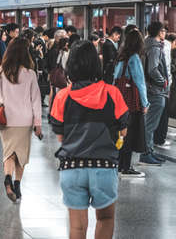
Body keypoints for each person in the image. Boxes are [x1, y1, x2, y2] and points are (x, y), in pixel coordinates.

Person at [50, 40, 128, 239]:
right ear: (96, 64)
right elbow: (123, 131)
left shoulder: (62, 97)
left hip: (72, 168)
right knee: (105, 219)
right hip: (104, 167)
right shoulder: (113, 93)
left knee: (77, 227)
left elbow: (61, 135)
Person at [0, 39, 42, 202]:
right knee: (21, 154)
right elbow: (36, 100)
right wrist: (38, 124)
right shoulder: (30, 74)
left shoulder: (0, 71)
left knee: (9, 152)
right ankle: (17, 185)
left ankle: (7, 178)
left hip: (6, 119)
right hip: (24, 119)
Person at [113, 29, 149, 178]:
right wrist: (145, 103)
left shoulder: (121, 57)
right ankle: (126, 167)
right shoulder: (134, 58)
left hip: (120, 101)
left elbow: (115, 78)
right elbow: (140, 83)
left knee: (122, 133)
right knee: (131, 134)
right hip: (131, 103)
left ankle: (120, 165)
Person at [139, 21, 169, 166]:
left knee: (149, 123)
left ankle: (149, 150)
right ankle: (146, 153)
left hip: (149, 88)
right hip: (155, 90)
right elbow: (152, 69)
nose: (165, 33)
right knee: (150, 124)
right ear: (159, 32)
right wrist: (162, 81)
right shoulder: (155, 48)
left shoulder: (146, 44)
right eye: (163, 30)